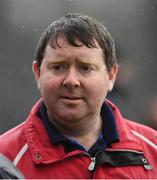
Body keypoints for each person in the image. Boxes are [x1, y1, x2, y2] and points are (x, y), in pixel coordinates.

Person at [0, 13, 157, 179]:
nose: (71, 81)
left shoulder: (153, 149)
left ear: (111, 76)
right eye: (58, 67)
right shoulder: (5, 159)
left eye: (85, 68)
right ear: (38, 73)